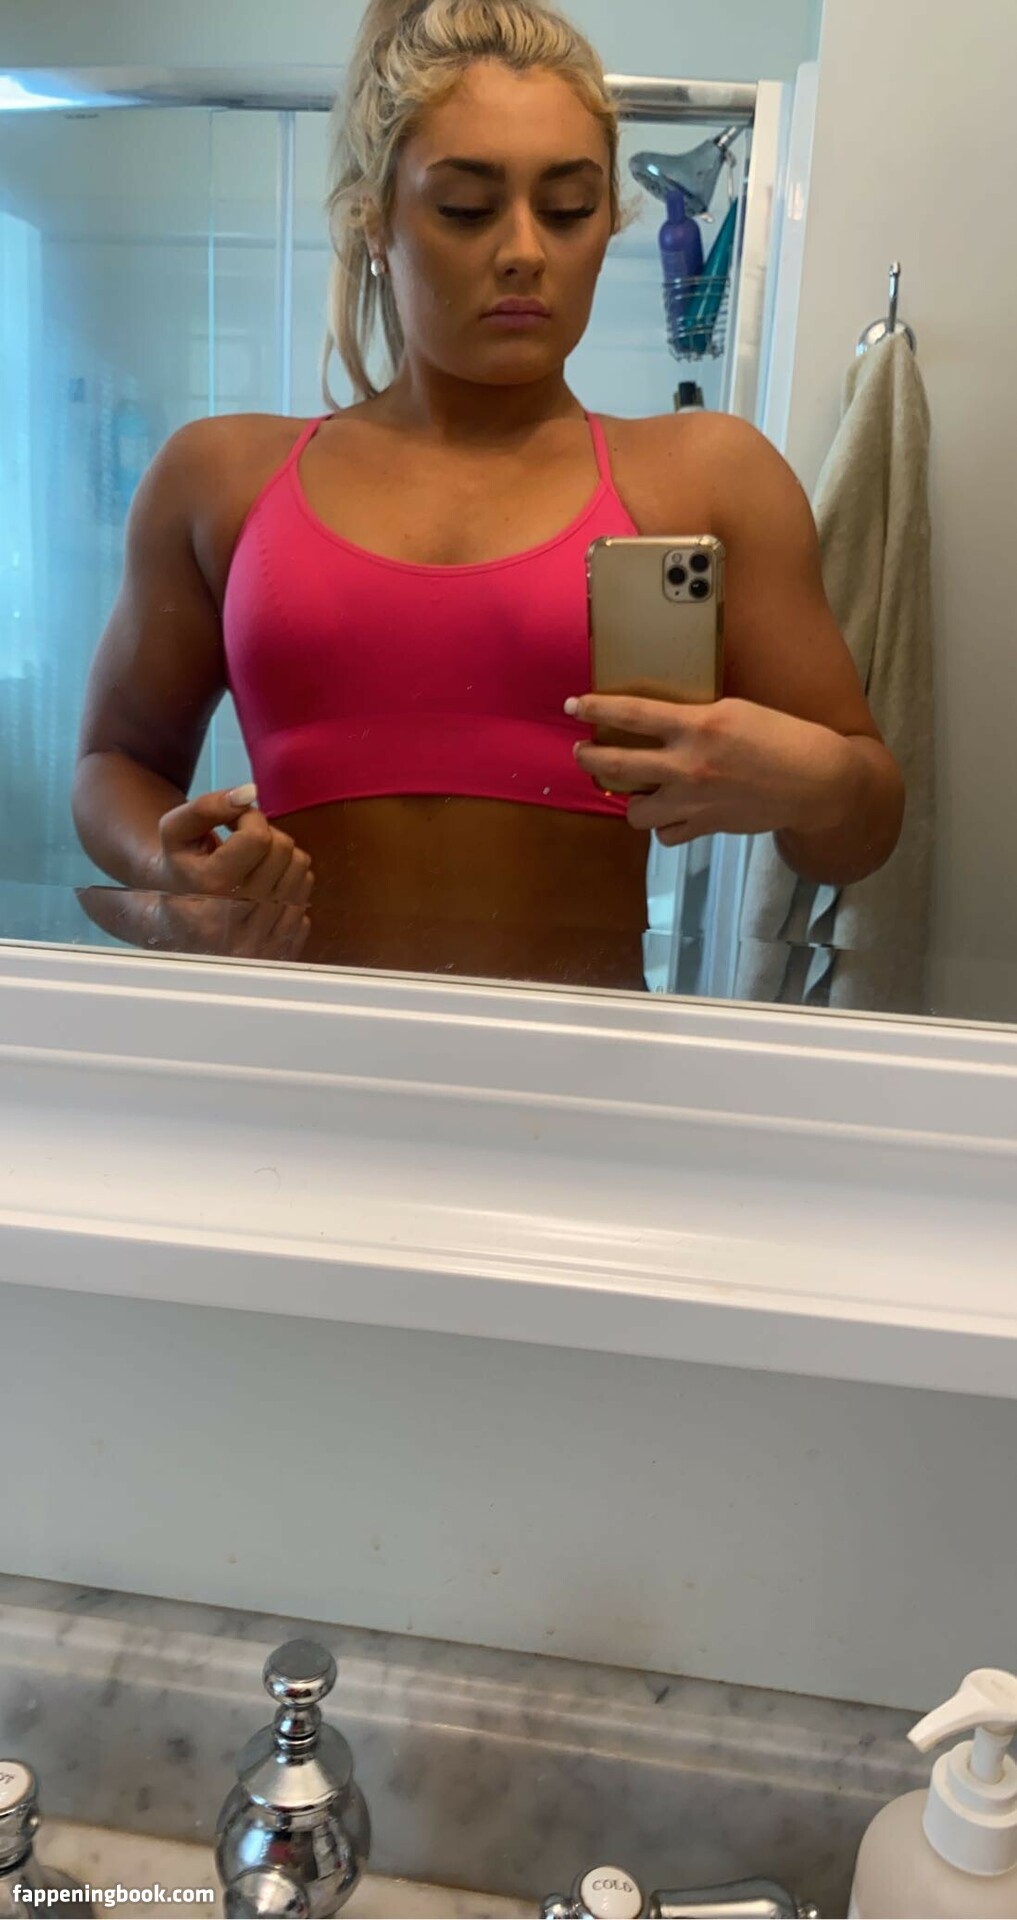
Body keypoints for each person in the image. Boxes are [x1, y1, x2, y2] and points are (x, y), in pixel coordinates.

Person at [72, 0, 904, 992]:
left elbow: (861, 830)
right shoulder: (217, 480)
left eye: (569, 208)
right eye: (467, 208)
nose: (523, 251)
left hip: (589, 1069)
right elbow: (113, 763)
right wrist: (171, 876)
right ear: (373, 221)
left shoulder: (710, 478)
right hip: (286, 1058)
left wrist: (807, 780)